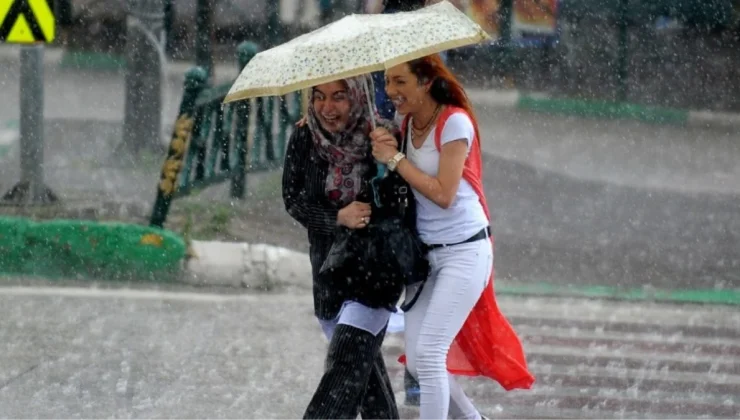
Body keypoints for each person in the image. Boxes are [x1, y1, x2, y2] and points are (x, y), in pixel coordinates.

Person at [370, 54, 535, 420]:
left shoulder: (454, 122)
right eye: (386, 82)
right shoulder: (407, 121)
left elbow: (444, 194)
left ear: (426, 82)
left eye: (400, 82)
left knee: (429, 354)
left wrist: (396, 158)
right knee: (417, 357)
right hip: (426, 257)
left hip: (466, 250)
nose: (390, 91)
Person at [282, 75, 401, 420]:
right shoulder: (304, 137)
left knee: (345, 368)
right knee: (367, 382)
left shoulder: (383, 135)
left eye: (338, 97)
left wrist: (389, 160)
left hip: (376, 270)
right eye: (319, 97)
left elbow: (402, 203)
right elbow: (293, 200)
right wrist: (338, 217)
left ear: (358, 96)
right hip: (328, 271)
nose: (327, 108)